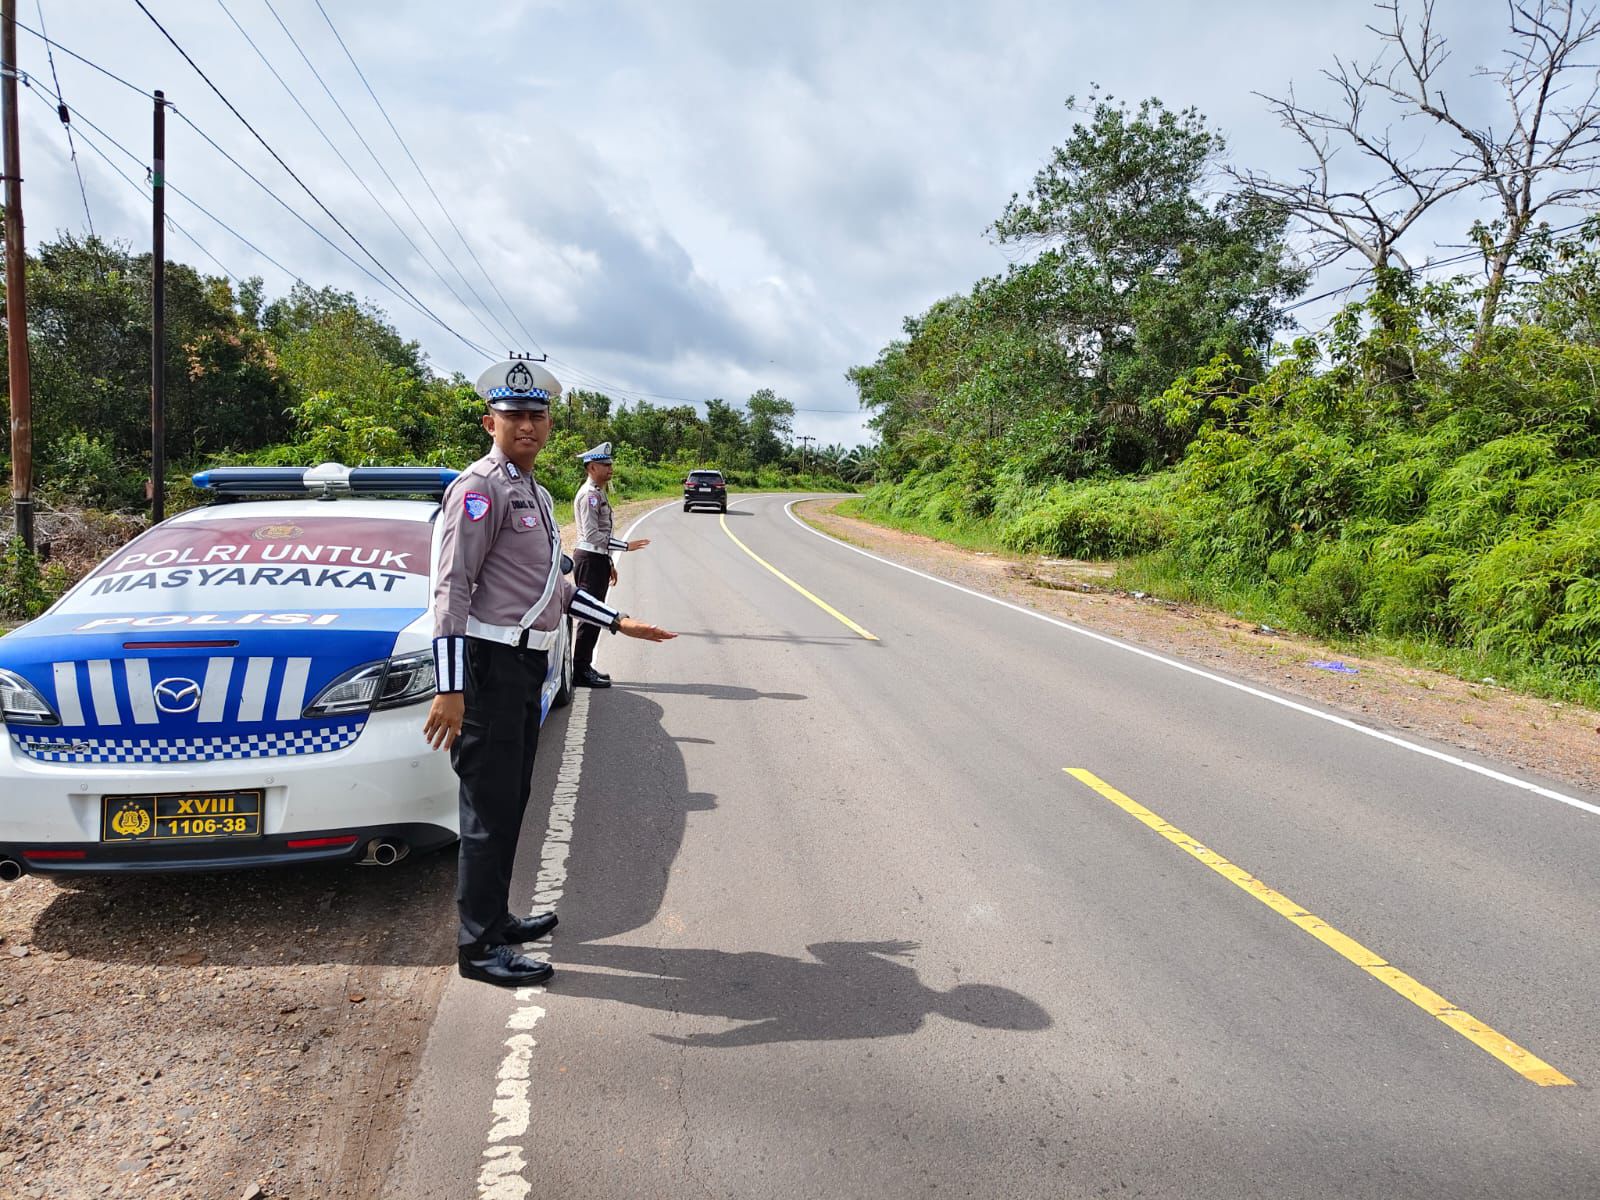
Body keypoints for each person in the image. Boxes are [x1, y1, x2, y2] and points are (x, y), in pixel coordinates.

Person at [423, 358, 676, 988]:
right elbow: (451, 591)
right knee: (487, 811)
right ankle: (478, 951)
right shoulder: (479, 489)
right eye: (514, 416)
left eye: (536, 415)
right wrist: (451, 687)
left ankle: (497, 920)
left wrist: (620, 624)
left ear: (550, 424)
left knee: (511, 804)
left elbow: (555, 591)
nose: (527, 426)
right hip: (486, 667)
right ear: (491, 422)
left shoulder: (532, 490)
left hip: (524, 667)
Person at [571, 441, 651, 688]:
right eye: (605, 465)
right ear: (591, 467)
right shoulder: (589, 496)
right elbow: (592, 535)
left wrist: (608, 562)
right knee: (590, 615)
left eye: (610, 464)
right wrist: (625, 546)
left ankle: (584, 666)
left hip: (597, 559)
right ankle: (580, 670)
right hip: (588, 559)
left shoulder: (599, 491)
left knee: (595, 614)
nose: (610, 468)